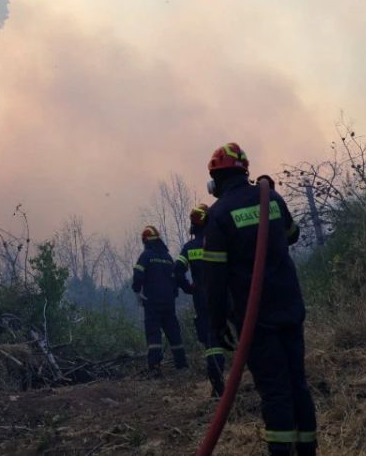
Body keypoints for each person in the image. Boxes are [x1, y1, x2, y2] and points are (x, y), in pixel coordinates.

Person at [202, 143, 318, 455]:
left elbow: (214, 279)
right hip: (290, 309)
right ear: (245, 172)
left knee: (275, 391)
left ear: (216, 180)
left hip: (257, 321)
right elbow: (292, 235)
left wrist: (217, 322)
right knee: (298, 385)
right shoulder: (272, 198)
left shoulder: (219, 215)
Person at [176, 203, 227, 397]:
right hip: (227, 294)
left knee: (211, 342)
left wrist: (189, 288)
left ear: (193, 226)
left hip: (203, 299)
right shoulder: (220, 240)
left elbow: (177, 271)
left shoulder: (189, 248)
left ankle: (218, 387)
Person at [131, 225, 188, 375]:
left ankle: (155, 367)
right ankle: (182, 365)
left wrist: (137, 291)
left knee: (153, 333)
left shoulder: (146, 255)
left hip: (152, 301)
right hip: (168, 301)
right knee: (173, 331)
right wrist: (173, 294)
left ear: (145, 240)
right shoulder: (168, 258)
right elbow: (175, 278)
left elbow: (138, 274)